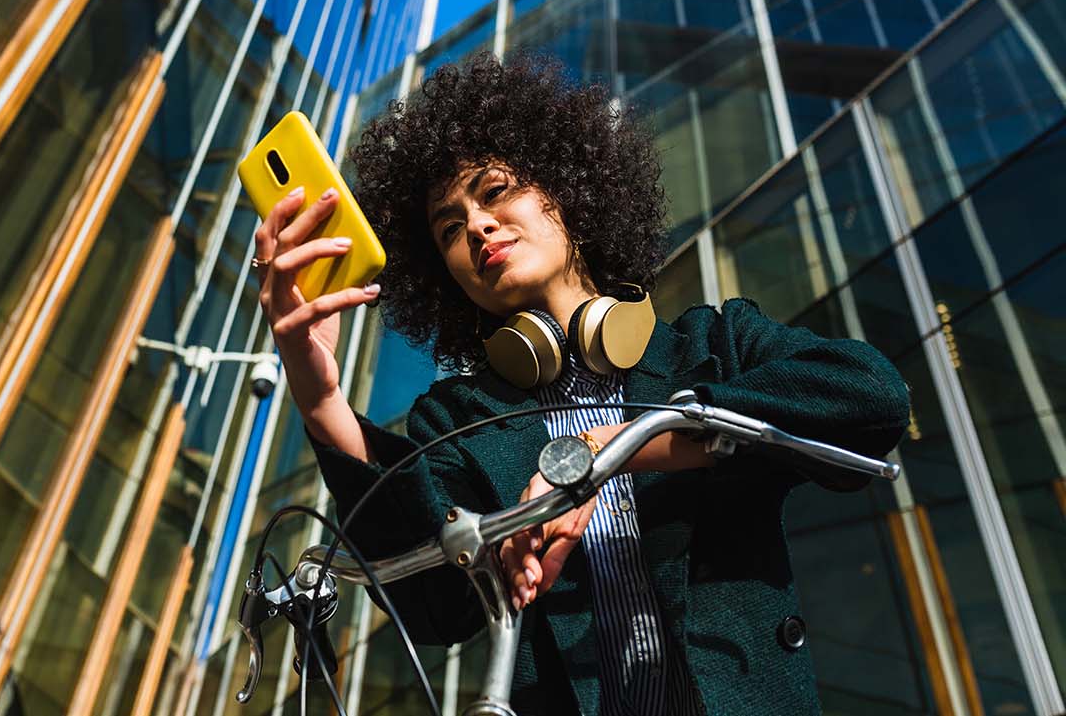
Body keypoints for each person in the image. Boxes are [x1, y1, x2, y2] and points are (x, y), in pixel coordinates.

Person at [251, 52, 910, 715]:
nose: (476, 225)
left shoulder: (713, 345)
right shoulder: (456, 419)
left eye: (495, 191)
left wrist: (617, 445)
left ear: (565, 188)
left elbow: (871, 397)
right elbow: (430, 606)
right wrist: (319, 397)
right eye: (449, 227)